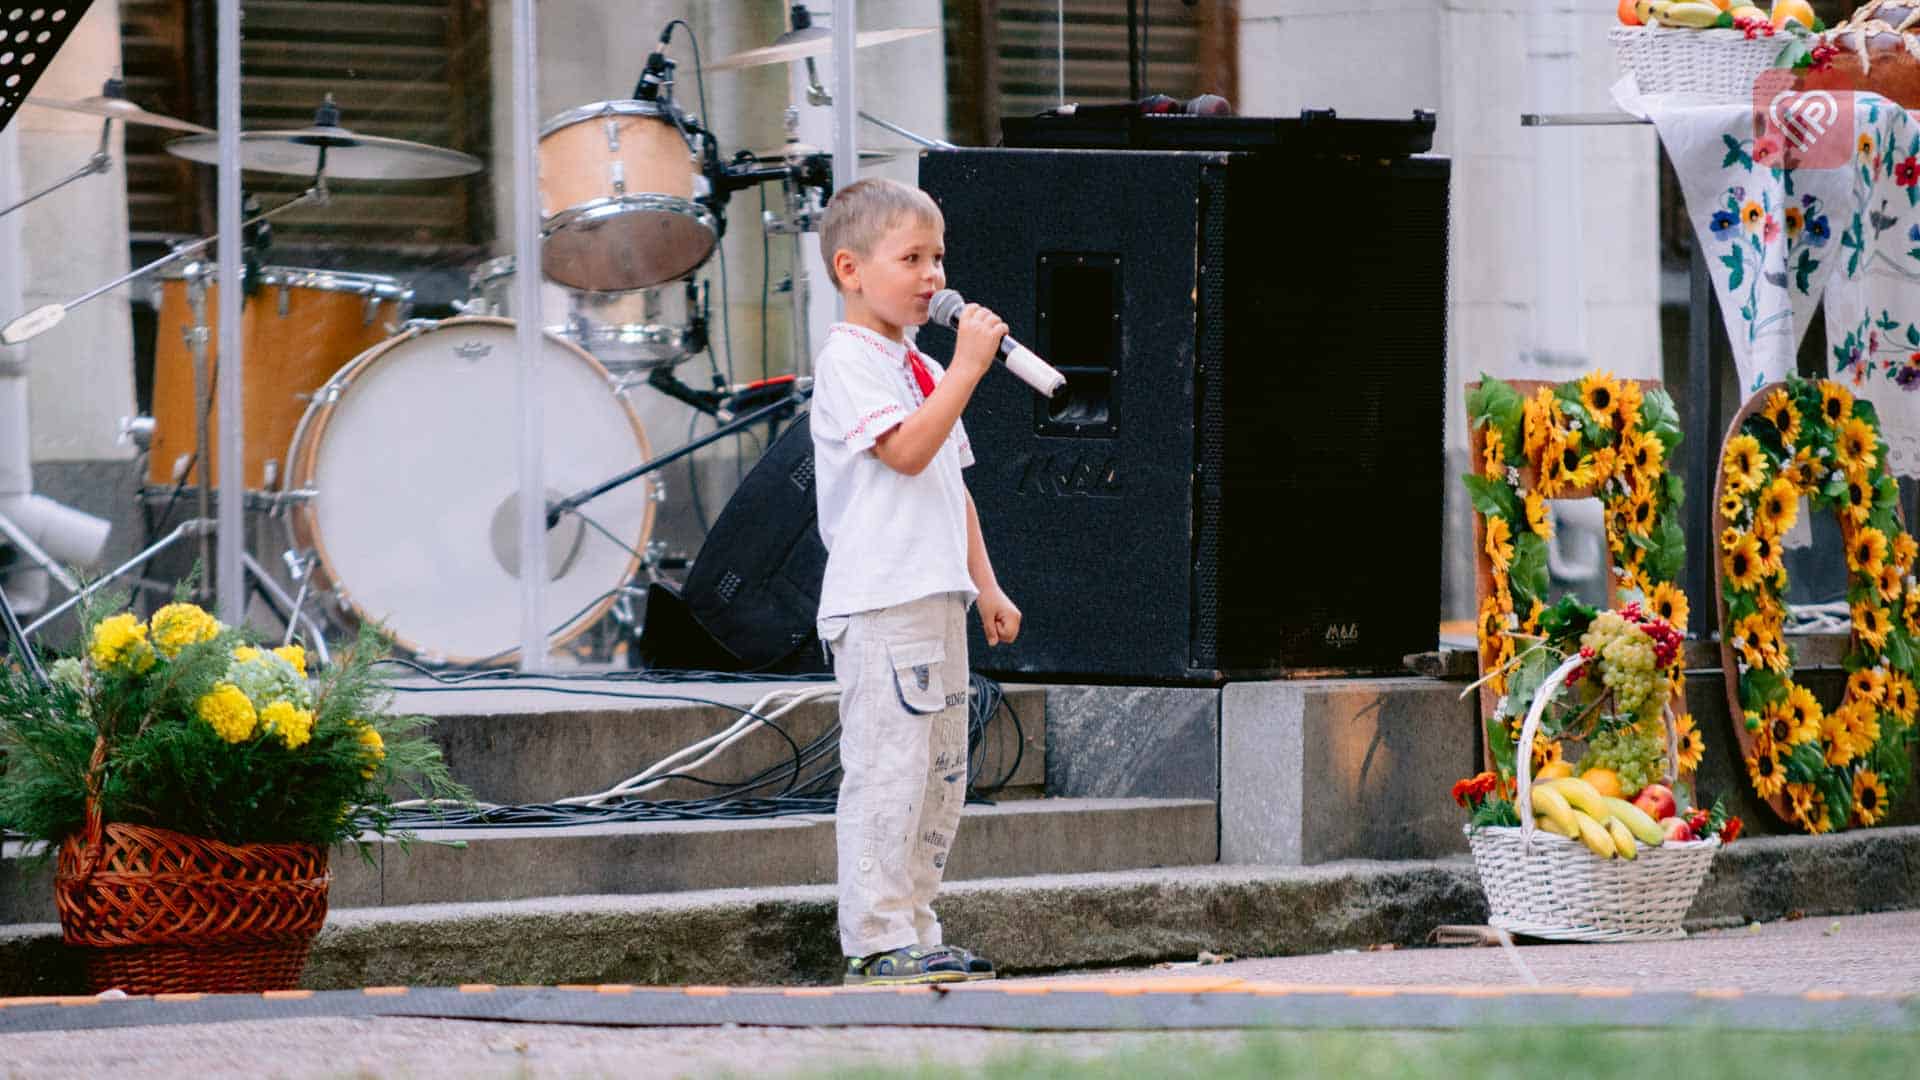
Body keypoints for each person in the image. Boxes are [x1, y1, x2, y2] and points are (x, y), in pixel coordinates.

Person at [810, 177, 1023, 986]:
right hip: (882, 600)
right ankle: (873, 936)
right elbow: (902, 452)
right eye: (911, 258)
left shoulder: (920, 364)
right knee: (888, 768)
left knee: (939, 777)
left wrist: (989, 586)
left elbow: (949, 485)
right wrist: (968, 369)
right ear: (851, 269)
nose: (932, 275)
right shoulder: (847, 360)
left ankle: (916, 925)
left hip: (937, 597)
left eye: (938, 257)